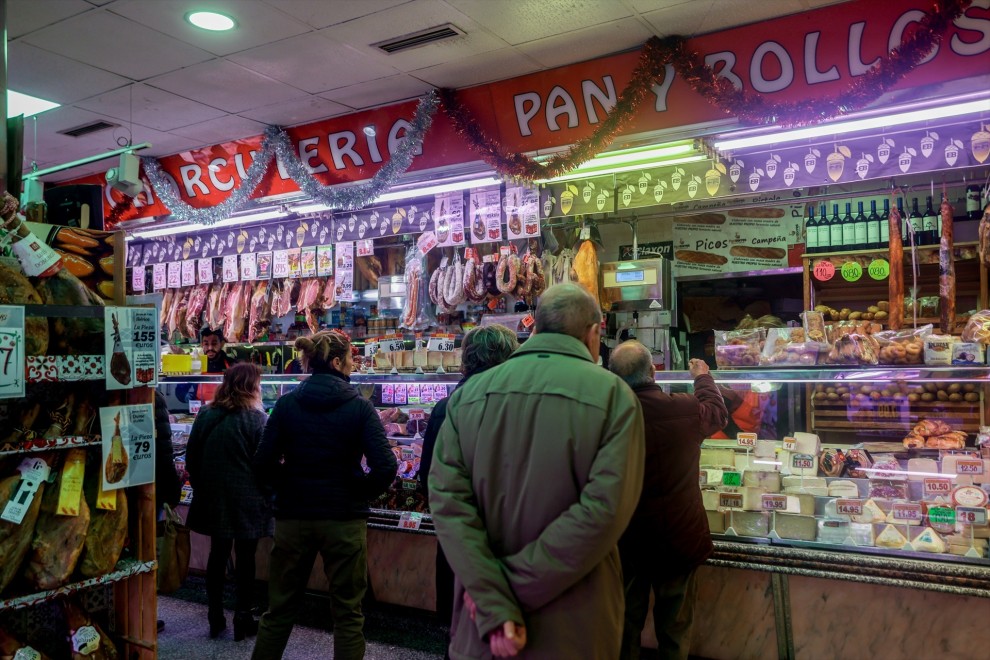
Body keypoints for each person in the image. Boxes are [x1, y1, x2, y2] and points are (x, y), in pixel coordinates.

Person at [429, 283, 645, 659]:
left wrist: (495, 598)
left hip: (486, 630)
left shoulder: (467, 397)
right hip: (575, 630)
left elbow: (448, 504)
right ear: (594, 333)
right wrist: (511, 591)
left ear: (536, 328)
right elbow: (602, 512)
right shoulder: (615, 397)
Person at [251, 331, 397, 660]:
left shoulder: (287, 404)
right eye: (349, 358)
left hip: (293, 518)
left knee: (280, 610)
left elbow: (262, 462)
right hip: (343, 520)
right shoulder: (360, 407)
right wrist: (357, 492)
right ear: (335, 362)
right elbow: (386, 467)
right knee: (347, 614)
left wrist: (286, 487)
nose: (353, 364)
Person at [608, 342, 728, 660]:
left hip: (627, 540)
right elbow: (717, 415)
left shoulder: (605, 416)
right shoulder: (684, 408)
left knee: (624, 625)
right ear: (653, 371)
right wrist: (703, 377)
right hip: (678, 537)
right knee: (674, 630)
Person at [419, 325, 519, 651]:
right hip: (508, 539)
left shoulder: (446, 408)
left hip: (456, 540)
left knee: (458, 631)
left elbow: (427, 479)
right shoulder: (519, 408)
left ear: (465, 359)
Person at [185, 363, 272, 641]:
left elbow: (191, 458)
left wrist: (203, 487)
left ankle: (215, 615)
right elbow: (265, 464)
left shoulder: (206, 414)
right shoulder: (258, 419)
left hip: (214, 498)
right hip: (247, 500)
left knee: (217, 556)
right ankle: (242, 618)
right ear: (250, 386)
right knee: (246, 559)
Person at [153, 390, 182, 634]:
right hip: (150, 487)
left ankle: (139, 611)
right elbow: (164, 451)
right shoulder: (153, 396)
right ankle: (144, 610)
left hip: (125, 484)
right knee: (147, 549)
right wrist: (173, 490)